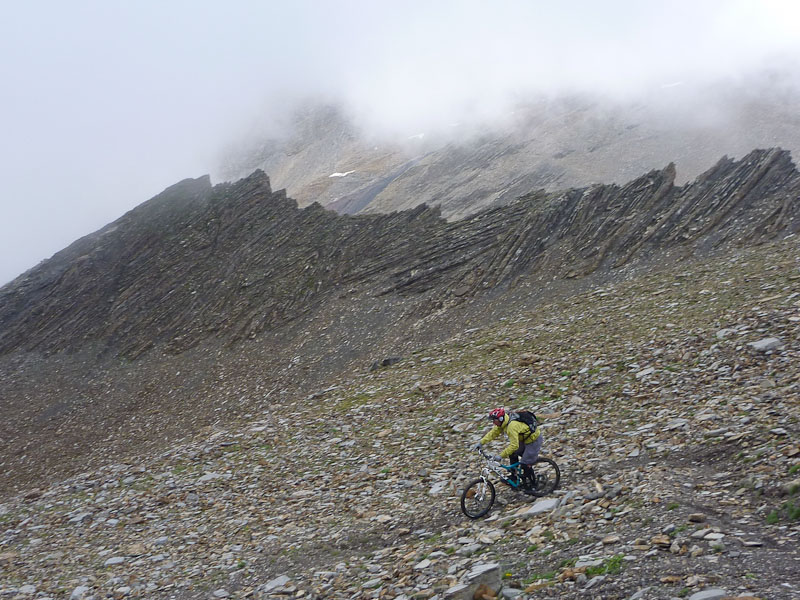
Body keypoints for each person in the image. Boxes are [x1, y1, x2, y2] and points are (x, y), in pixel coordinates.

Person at [474, 407, 542, 493]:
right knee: (512, 454)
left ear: (500, 419)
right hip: (524, 440)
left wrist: (500, 456)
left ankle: (533, 485)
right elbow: (493, 433)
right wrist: (481, 442)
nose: (493, 423)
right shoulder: (502, 423)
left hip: (533, 441)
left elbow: (514, 445)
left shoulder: (511, 427)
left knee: (525, 463)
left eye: (494, 420)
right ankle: (514, 477)